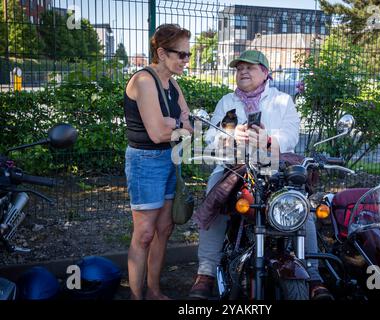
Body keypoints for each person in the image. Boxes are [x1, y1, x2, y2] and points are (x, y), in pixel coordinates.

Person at [188, 50, 333, 300]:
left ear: (265, 73)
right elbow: (211, 137)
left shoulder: (283, 100)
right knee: (216, 191)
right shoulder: (227, 101)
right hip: (234, 166)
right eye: (239, 68)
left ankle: (314, 276)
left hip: (274, 167)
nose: (243, 71)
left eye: (250, 67)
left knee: (302, 205)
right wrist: (232, 137)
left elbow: (291, 135)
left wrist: (267, 140)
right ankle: (206, 273)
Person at [123, 23, 193, 300]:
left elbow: (189, 124)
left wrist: (175, 124)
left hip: (170, 159)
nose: (186, 60)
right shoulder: (143, 80)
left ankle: (154, 291)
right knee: (144, 234)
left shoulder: (172, 83)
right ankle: (135, 296)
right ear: (162, 53)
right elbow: (156, 134)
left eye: (188, 54)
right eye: (181, 55)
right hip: (146, 161)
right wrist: (179, 126)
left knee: (165, 229)